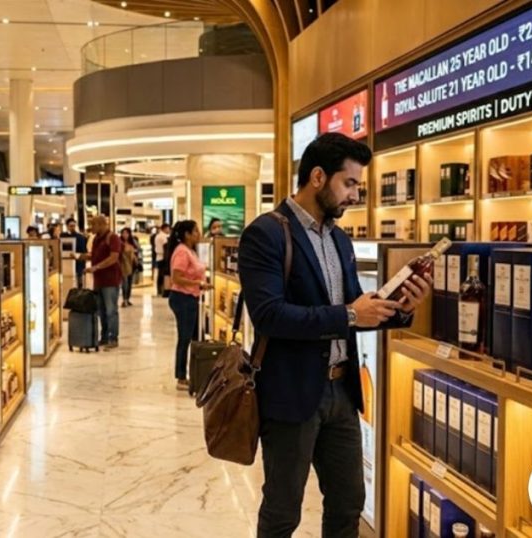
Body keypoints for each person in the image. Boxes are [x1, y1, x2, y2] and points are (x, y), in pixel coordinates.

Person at [238, 133, 429, 538]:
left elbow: (355, 310)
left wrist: (400, 309)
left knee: (348, 504)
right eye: (350, 183)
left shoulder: (340, 239)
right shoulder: (266, 234)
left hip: (342, 393)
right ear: (318, 177)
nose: (355, 195)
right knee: (282, 511)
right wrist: (349, 313)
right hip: (291, 393)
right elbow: (269, 315)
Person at [167, 220, 211, 391]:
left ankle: (196, 373)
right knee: (185, 338)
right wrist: (199, 284)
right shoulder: (182, 252)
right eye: (195, 231)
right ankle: (181, 377)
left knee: (195, 337)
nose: (198, 234)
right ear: (187, 234)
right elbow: (176, 278)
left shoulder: (190, 251)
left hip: (191, 297)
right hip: (183, 298)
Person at [84, 215, 121, 350]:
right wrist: (80, 256)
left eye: (93, 224)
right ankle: (104, 337)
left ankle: (113, 338)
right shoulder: (96, 239)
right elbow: (94, 256)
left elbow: (114, 257)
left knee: (111, 310)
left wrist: (96, 267)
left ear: (100, 224)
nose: (91, 228)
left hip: (110, 280)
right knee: (101, 311)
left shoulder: (113, 238)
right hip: (98, 280)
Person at [118, 227, 139, 307]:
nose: (125, 235)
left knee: (129, 283)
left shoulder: (133, 242)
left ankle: (127, 299)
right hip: (123, 265)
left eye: (126, 233)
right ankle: (124, 300)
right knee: (125, 283)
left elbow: (137, 252)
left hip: (131, 265)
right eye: (123, 233)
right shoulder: (119, 243)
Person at [65, 218, 88, 288]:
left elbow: (83, 251)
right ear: (67, 226)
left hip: (79, 262)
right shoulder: (64, 236)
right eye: (71, 226)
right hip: (67, 263)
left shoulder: (80, 237)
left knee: (79, 281)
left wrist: (83, 263)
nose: (72, 227)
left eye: (74, 226)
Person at [154, 223, 171, 296]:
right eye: (168, 228)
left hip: (158, 257)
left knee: (159, 274)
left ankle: (159, 290)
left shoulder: (157, 236)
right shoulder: (164, 236)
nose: (169, 230)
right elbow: (165, 247)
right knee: (163, 274)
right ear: (165, 228)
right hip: (163, 257)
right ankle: (163, 289)